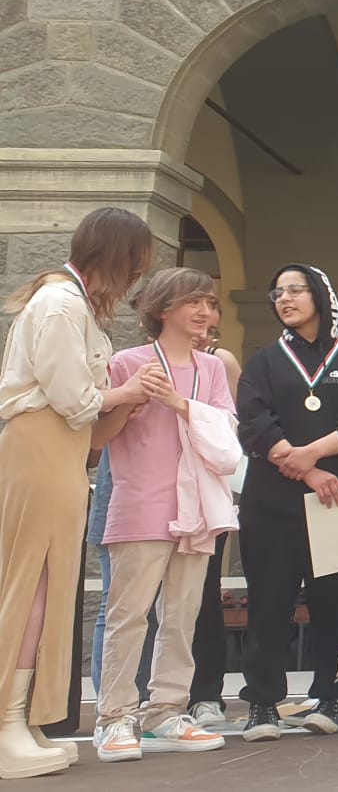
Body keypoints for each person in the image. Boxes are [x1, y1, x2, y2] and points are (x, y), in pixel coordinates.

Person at [0, 207, 155, 779]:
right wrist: (125, 392)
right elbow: (74, 399)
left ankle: (23, 718)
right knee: (32, 581)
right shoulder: (61, 304)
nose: (137, 275)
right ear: (119, 257)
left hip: (56, 449)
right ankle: (7, 721)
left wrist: (118, 401)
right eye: (136, 262)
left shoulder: (67, 303)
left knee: (49, 581)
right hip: (42, 444)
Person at [234, 264, 338, 741]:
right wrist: (307, 469)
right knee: (269, 601)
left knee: (337, 602)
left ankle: (331, 697)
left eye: (295, 290)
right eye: (277, 292)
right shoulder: (263, 361)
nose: (284, 298)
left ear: (320, 295)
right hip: (272, 502)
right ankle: (263, 704)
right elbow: (253, 423)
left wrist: (313, 452)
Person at [91, 268, 238, 762]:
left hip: (197, 510)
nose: (205, 312)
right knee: (128, 616)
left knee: (181, 616)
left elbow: (227, 437)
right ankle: (114, 717)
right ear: (162, 309)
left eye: (210, 303)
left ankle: (167, 711)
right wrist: (129, 398)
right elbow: (97, 439)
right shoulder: (126, 362)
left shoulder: (211, 368)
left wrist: (178, 403)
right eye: (194, 301)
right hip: (139, 504)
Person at [187, 325, 242, 730]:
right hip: (155, 491)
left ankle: (205, 694)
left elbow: (232, 431)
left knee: (204, 595)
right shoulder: (138, 362)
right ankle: (149, 695)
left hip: (206, 491)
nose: (200, 328)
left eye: (208, 322)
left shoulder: (219, 363)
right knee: (145, 604)